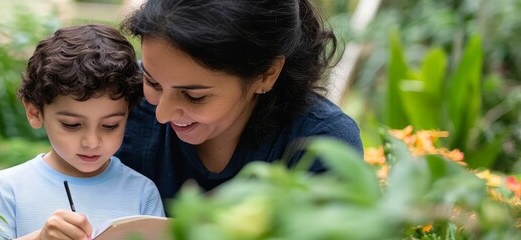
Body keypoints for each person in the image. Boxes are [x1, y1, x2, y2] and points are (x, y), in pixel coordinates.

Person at [116, 0, 364, 204]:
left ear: (267, 74)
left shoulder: (322, 146)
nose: (162, 114)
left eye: (194, 96)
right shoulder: (115, 102)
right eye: (153, 82)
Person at [0, 24, 165, 240]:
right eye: (71, 125)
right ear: (34, 112)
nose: (92, 142)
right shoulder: (10, 186)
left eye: (110, 126)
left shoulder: (142, 192)